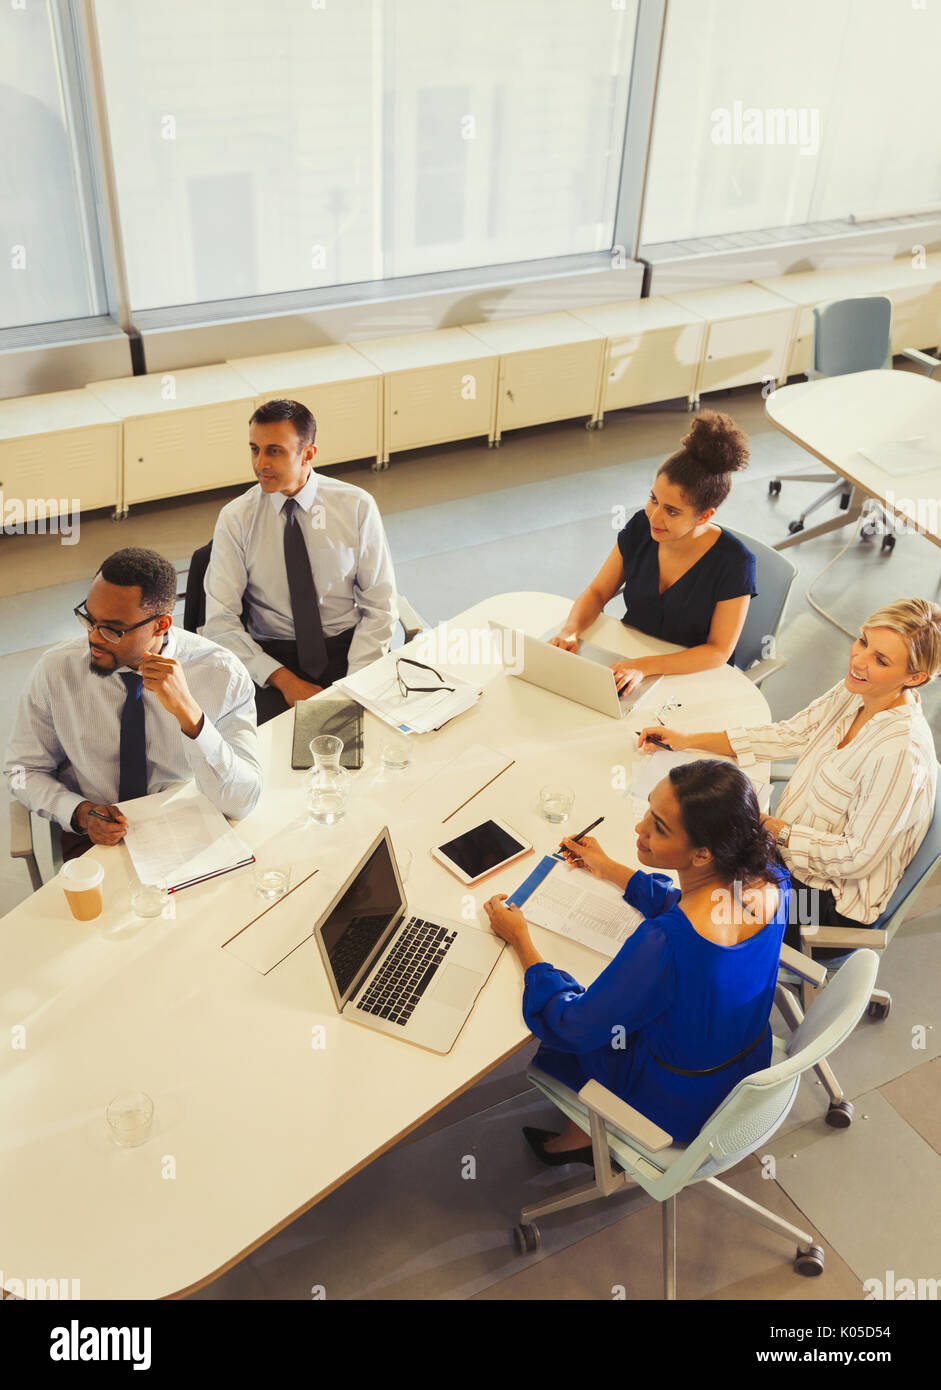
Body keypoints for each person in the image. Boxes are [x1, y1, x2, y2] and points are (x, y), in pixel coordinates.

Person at [483, 761, 789, 1159]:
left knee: (575, 1022)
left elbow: (572, 1026)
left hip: (678, 1103)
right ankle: (587, 1129)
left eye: (658, 827)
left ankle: (588, 1136)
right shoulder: (772, 879)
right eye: (648, 810)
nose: (639, 829)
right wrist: (609, 869)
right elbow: (700, 908)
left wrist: (521, 939)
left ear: (701, 855)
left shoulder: (665, 942)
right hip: (740, 1063)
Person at [638, 598, 941, 949]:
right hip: (784, 858)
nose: (858, 660)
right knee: (694, 853)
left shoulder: (901, 755)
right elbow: (792, 734)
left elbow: (856, 859)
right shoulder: (859, 690)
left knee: (702, 895)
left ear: (915, 678)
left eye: (880, 660)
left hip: (825, 907)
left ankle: (669, 961)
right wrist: (688, 739)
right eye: (863, 641)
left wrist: (774, 829)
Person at [3, 547, 262, 860]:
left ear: (161, 625)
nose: (95, 638)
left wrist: (190, 715)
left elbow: (242, 801)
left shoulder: (221, 673)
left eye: (112, 629)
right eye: (89, 619)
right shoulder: (55, 671)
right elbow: (21, 770)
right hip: (96, 838)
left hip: (187, 828)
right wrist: (80, 812)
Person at [203, 398, 398, 724]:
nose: (260, 463)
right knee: (278, 760)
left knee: (363, 748)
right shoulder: (236, 518)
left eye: (274, 451)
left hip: (350, 649)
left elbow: (380, 606)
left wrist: (355, 684)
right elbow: (220, 623)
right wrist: (285, 681)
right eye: (255, 449)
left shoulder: (356, 506)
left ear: (308, 454)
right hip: (272, 660)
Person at [550, 410, 756, 692]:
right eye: (653, 499)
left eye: (671, 511)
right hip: (629, 662)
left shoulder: (736, 563)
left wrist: (645, 666)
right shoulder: (640, 526)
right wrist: (570, 630)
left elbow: (718, 651)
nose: (654, 517)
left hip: (691, 679)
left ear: (704, 516)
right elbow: (599, 591)